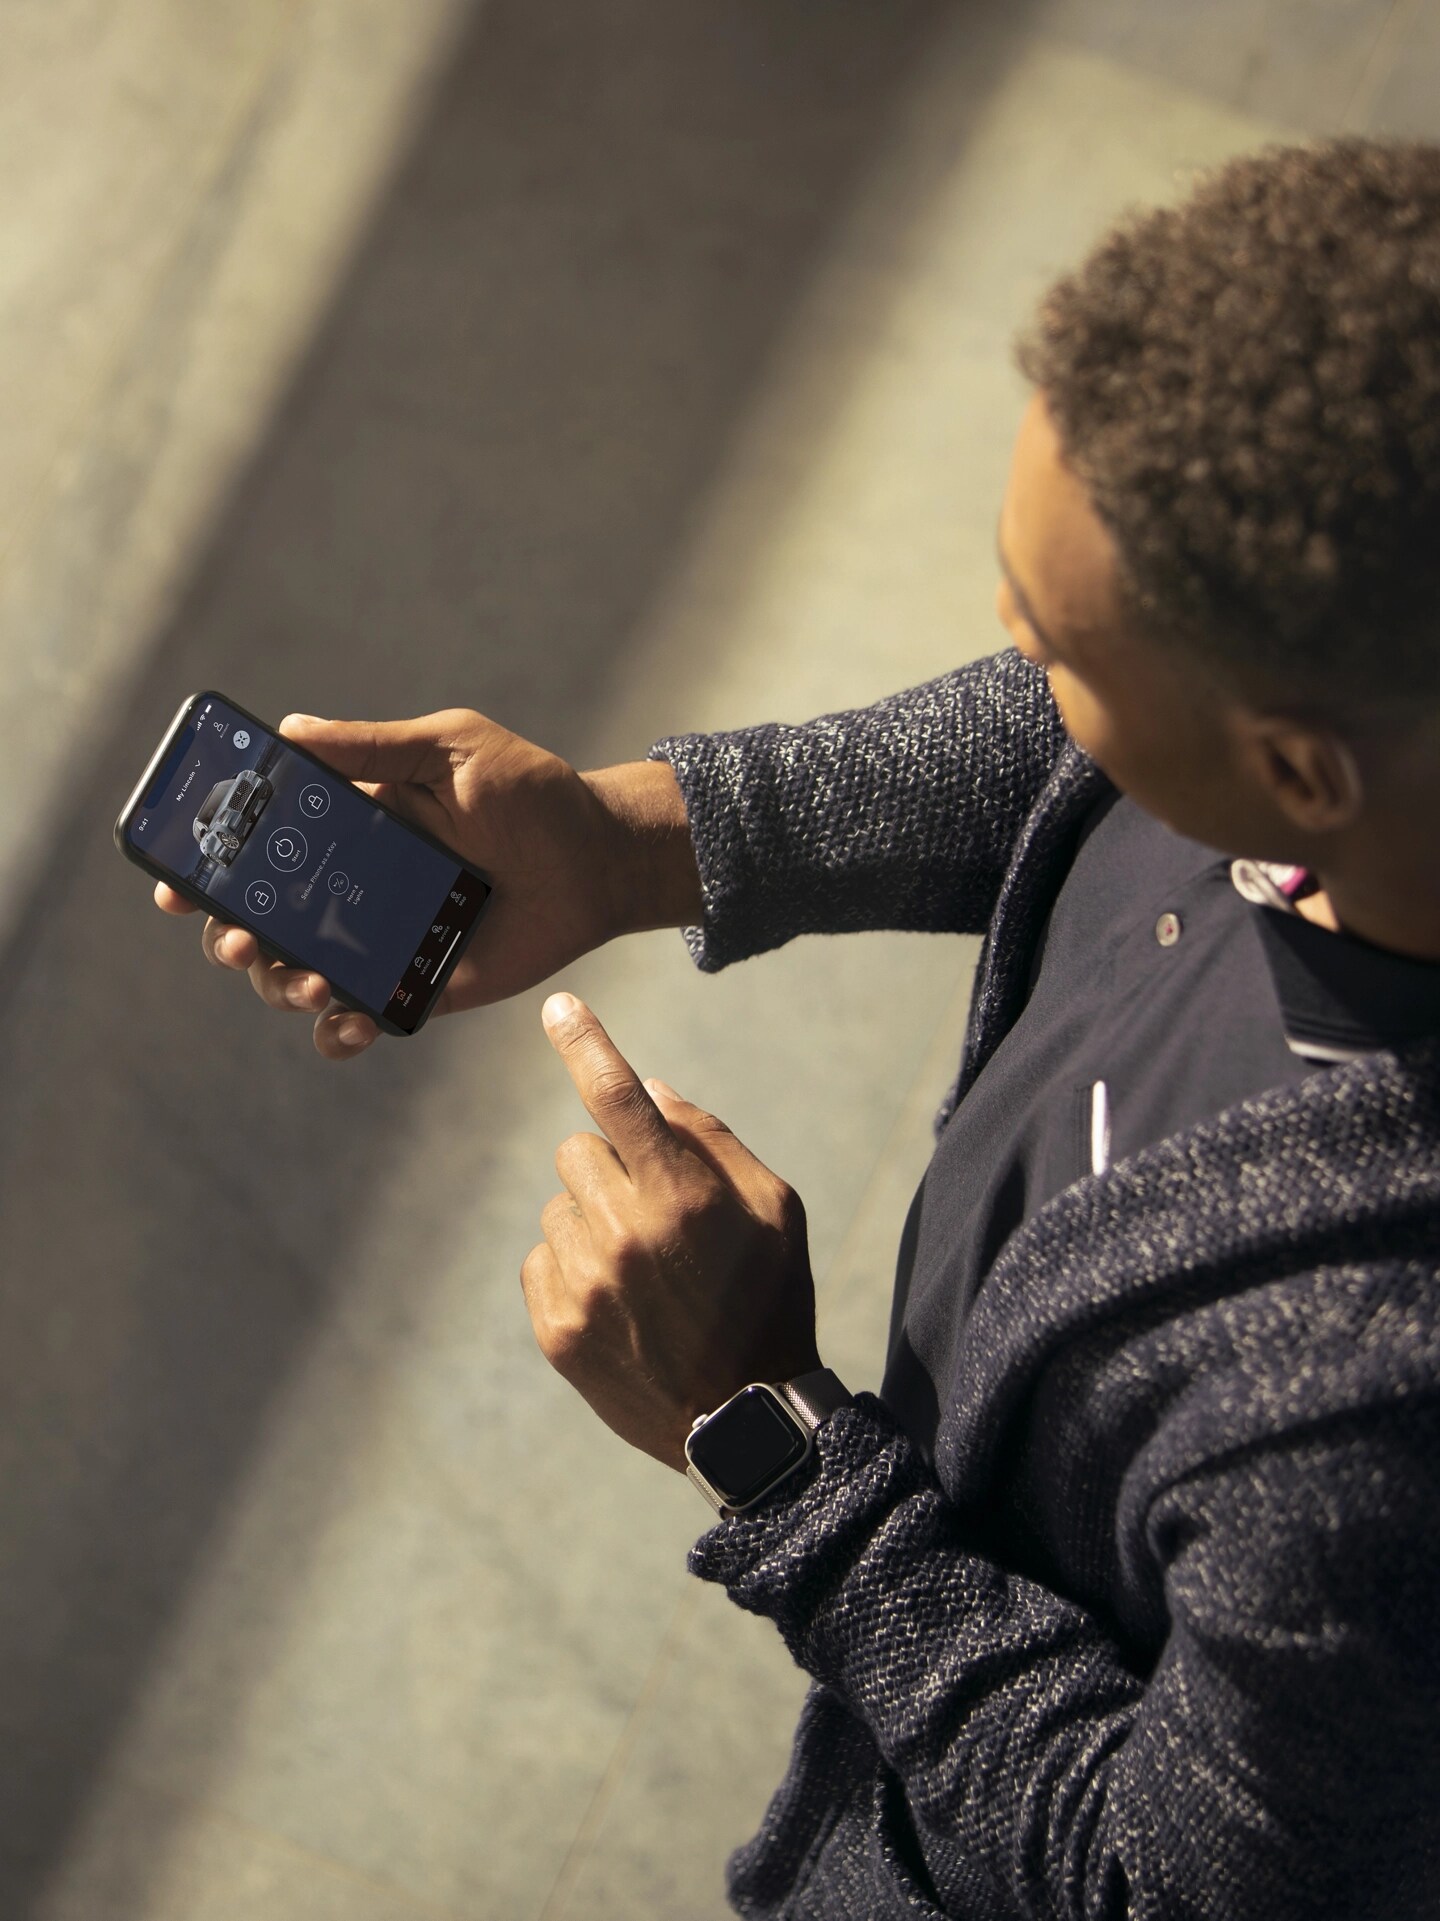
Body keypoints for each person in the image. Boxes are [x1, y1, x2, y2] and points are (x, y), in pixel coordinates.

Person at [156, 136, 1440, 1916]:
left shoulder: (1367, 1421)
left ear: (1294, 774)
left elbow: (1161, 1880)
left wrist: (765, 1432)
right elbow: (1071, 747)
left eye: (1059, 642)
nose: (1016, 656)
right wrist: (628, 842)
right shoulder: (1353, 751)